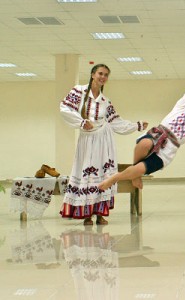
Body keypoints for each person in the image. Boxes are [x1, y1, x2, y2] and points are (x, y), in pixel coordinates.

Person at [98, 62, 185, 191]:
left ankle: (118, 177)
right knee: (144, 143)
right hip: (158, 134)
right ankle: (136, 174)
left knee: (140, 168)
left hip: (168, 150)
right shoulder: (181, 106)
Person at [60, 63, 148, 226]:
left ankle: (100, 213)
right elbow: (64, 108)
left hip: (104, 141)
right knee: (87, 173)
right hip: (87, 140)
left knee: (103, 174)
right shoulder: (78, 91)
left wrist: (137, 125)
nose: (103, 77)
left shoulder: (105, 101)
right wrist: (81, 122)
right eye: (100, 73)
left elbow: (116, 122)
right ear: (93, 74)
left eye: (106, 75)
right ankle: (86, 214)